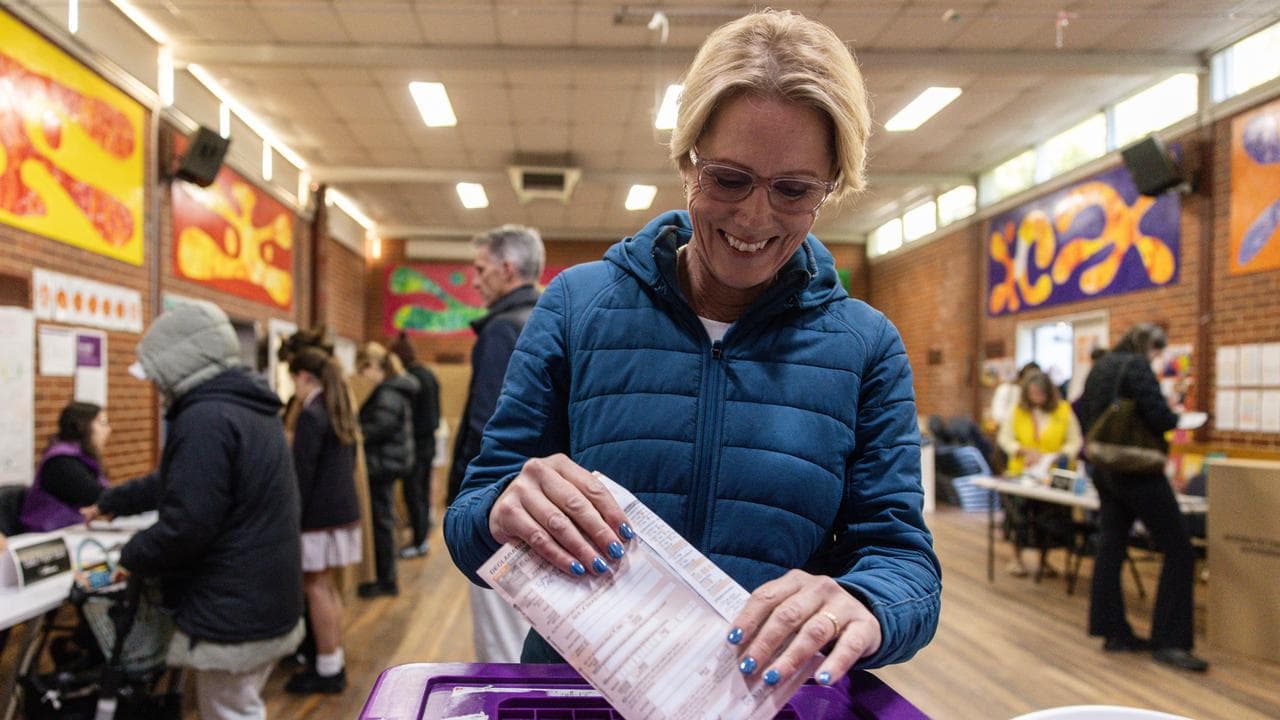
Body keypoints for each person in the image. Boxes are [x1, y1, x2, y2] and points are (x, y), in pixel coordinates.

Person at [446, 8, 940, 684]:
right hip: (579, 694)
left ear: (830, 189)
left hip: (759, 697)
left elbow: (904, 563)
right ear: (687, 161)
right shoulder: (579, 305)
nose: (754, 217)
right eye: (728, 179)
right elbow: (470, 522)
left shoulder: (866, 347)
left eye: (793, 190)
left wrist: (860, 602)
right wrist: (503, 506)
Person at [86, 301, 304, 719]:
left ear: (176, 362)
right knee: (239, 703)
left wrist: (131, 555)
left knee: (230, 710)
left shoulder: (204, 418)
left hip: (234, 604)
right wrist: (113, 502)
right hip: (265, 592)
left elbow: (187, 525)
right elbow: (180, 480)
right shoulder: (247, 406)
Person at [1076, 322, 1206, 672]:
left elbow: (1083, 411)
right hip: (1138, 468)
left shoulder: (1099, 367)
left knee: (1111, 545)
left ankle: (1112, 630)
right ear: (1149, 346)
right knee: (1179, 548)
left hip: (1104, 467)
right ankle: (1171, 641)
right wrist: (1179, 414)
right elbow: (1160, 417)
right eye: (1157, 353)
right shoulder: (1135, 366)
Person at [446, 224, 543, 663]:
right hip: (538, 500)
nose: (474, 279)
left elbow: (488, 429)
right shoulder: (548, 319)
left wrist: (466, 505)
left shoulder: (502, 330)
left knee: (500, 647)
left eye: (480, 268)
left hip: (500, 507)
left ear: (507, 270)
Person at [283, 347, 362, 694]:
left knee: (316, 588)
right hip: (340, 513)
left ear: (303, 376)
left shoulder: (312, 413)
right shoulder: (337, 407)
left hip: (317, 517)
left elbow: (302, 472)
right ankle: (332, 659)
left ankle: (328, 667)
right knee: (327, 588)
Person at [996, 372, 1082, 577]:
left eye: (1041, 394)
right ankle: (1016, 558)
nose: (1037, 398)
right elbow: (1004, 438)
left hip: (1051, 475)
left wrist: (1058, 455)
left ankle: (1044, 561)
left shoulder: (1063, 411)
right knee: (1018, 517)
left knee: (1049, 519)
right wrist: (1020, 450)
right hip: (1021, 473)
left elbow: (1075, 441)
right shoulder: (1017, 411)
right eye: (1033, 393)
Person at [355, 341, 418, 598]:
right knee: (383, 520)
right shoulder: (393, 389)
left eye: (362, 370)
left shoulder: (388, 393)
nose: (362, 376)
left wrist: (355, 434)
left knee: (381, 521)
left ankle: (385, 578)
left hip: (381, 464)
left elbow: (379, 427)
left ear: (372, 365)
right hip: (388, 462)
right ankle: (384, 576)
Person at [19, 401, 111, 532]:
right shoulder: (61, 462)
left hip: (72, 529)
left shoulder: (82, 456)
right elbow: (98, 497)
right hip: (49, 535)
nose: (108, 429)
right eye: (102, 423)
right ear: (82, 426)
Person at [390, 332, 441, 559]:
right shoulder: (428, 374)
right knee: (421, 490)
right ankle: (422, 538)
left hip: (417, 443)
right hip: (429, 440)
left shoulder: (410, 379)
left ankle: (419, 541)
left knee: (415, 493)